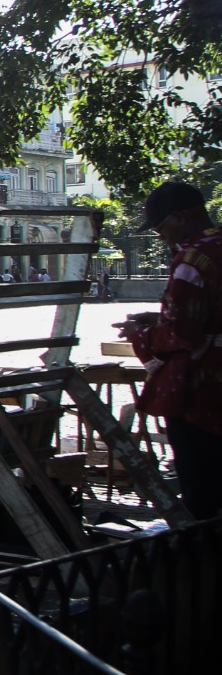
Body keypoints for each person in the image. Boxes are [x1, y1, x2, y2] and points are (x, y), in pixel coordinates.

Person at [118, 180, 222, 519]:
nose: (162, 236)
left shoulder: (191, 259)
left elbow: (182, 333)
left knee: (202, 491)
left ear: (181, 217)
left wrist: (142, 333)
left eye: (162, 227)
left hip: (202, 391)